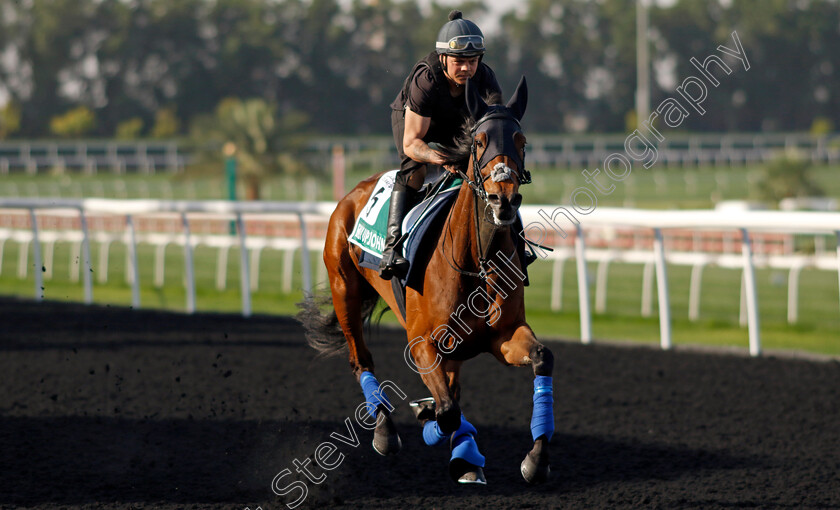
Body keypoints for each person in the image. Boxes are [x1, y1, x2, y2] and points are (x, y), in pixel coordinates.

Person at [380, 10, 503, 280]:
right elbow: (413, 143)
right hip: (416, 123)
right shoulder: (426, 79)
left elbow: (493, 126)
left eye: (472, 61)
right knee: (416, 170)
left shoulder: (485, 79)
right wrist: (441, 158)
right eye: (459, 61)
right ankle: (392, 248)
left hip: (457, 122)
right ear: (443, 58)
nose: (466, 68)